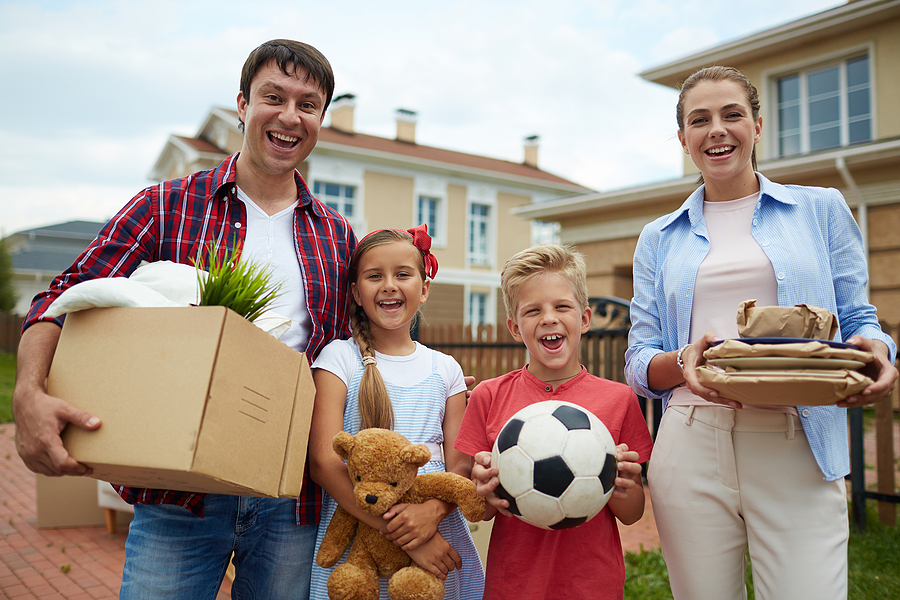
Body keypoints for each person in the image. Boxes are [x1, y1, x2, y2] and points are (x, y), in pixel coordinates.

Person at [12, 39, 358, 599]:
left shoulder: (337, 234)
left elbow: (355, 352)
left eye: (308, 104)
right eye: (274, 97)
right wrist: (28, 393)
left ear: (321, 119)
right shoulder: (165, 205)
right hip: (178, 490)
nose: (290, 117)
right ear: (243, 105)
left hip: (291, 495)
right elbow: (61, 297)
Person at [625, 65, 899, 600]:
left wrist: (882, 353)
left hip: (798, 440)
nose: (717, 130)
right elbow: (639, 358)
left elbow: (861, 320)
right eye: (699, 120)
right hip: (691, 439)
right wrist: (684, 361)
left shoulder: (820, 210)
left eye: (732, 114)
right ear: (684, 139)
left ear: (757, 124)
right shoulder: (658, 237)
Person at [454, 243, 653, 600]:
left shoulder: (619, 399)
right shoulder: (488, 396)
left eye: (562, 306)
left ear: (585, 319)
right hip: (513, 584)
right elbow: (480, 512)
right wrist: (482, 490)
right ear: (515, 328)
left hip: (593, 585)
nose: (549, 318)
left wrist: (625, 485)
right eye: (533, 311)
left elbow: (632, 514)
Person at [308, 225, 485, 599]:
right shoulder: (338, 359)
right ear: (356, 292)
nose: (389, 285)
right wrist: (407, 538)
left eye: (403, 274)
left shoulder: (446, 369)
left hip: (436, 537)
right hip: (361, 540)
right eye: (375, 276)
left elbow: (460, 467)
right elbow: (324, 463)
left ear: (424, 289)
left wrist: (432, 515)